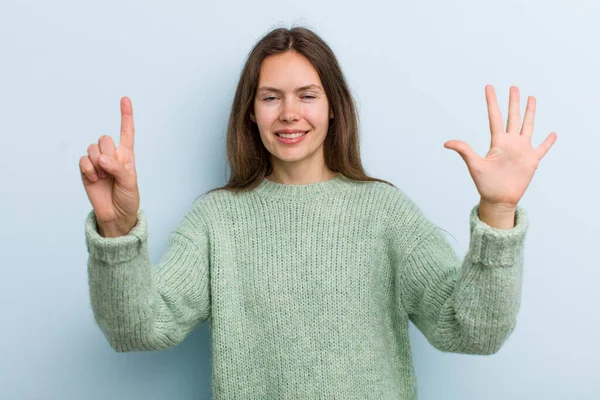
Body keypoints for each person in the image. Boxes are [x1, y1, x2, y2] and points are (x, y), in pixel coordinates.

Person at [79, 27, 557, 399]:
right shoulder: (215, 222)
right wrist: (117, 231)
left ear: (333, 108)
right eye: (271, 97)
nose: (290, 113)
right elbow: (136, 331)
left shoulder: (384, 214)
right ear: (251, 112)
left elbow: (473, 332)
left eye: (307, 95)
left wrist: (498, 210)